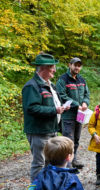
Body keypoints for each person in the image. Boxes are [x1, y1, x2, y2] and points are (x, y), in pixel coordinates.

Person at [22, 53, 68, 182]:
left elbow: (54, 103)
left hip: (51, 130)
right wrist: (55, 110)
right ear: (43, 69)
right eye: (52, 67)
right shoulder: (31, 86)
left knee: (51, 162)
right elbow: (32, 108)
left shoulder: (50, 85)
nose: (54, 70)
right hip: (39, 132)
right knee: (39, 163)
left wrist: (62, 107)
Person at [56, 57, 90, 169]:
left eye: (79, 65)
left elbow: (86, 94)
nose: (77, 67)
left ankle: (74, 160)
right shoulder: (63, 80)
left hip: (80, 115)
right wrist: (76, 104)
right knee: (68, 140)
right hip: (68, 115)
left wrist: (85, 102)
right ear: (69, 65)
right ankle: (67, 164)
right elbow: (61, 95)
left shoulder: (82, 80)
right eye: (75, 65)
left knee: (76, 139)